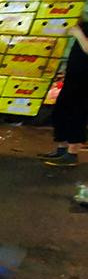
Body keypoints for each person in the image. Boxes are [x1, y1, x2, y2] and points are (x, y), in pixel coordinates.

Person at [40, 18, 88, 167]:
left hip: (84, 77)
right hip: (74, 73)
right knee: (61, 109)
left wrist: (78, 33)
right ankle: (62, 148)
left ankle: (72, 153)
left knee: (76, 112)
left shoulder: (80, 30)